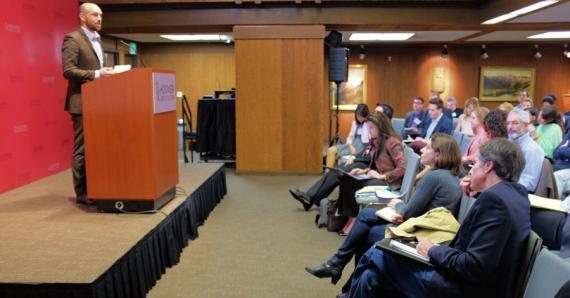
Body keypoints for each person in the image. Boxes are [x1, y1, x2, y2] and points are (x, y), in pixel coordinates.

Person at [349, 138, 530, 298]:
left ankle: (347, 290)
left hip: (464, 289)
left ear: (488, 166)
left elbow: (473, 266)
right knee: (370, 277)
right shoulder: (517, 196)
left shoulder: (494, 201)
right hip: (484, 284)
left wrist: (432, 250)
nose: (471, 170)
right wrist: (478, 193)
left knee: (378, 252)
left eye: (474, 164)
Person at [305, 133, 462, 291]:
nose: (422, 150)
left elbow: (408, 212)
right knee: (366, 218)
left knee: (367, 232)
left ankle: (341, 272)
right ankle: (345, 278)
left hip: (420, 234)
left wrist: (397, 204)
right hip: (423, 227)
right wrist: (400, 207)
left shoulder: (434, 177)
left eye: (427, 148)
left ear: (438, 154)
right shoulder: (448, 176)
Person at [62, 2, 115, 204]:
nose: (100, 18)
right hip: (81, 103)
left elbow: (98, 70)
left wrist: (106, 73)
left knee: (98, 147)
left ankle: (98, 186)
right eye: (95, 15)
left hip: (98, 103)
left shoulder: (97, 39)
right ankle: (82, 193)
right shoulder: (73, 39)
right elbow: (68, 70)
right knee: (83, 148)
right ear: (82, 17)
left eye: (101, 15)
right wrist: (97, 74)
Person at [336, 112, 406, 234]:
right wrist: (364, 171)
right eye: (369, 128)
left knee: (352, 182)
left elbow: (403, 167)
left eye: (372, 128)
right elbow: (376, 165)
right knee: (346, 178)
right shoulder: (376, 141)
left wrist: (383, 176)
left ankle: (352, 221)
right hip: (378, 177)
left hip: (389, 182)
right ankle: (350, 218)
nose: (370, 131)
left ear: (381, 127)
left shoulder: (392, 142)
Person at [507, 109, 544, 193]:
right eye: (508, 123)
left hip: (519, 193)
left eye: (515, 123)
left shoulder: (531, 149)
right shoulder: (509, 143)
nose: (509, 127)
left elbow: (529, 183)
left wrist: (502, 184)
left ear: (526, 125)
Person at [326, 104, 370, 168]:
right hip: (352, 144)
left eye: (361, 116)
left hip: (363, 147)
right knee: (331, 150)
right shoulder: (354, 123)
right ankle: (328, 174)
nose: (359, 118)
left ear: (366, 115)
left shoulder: (370, 124)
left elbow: (370, 140)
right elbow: (350, 137)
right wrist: (350, 146)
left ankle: (334, 173)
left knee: (342, 158)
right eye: (358, 116)